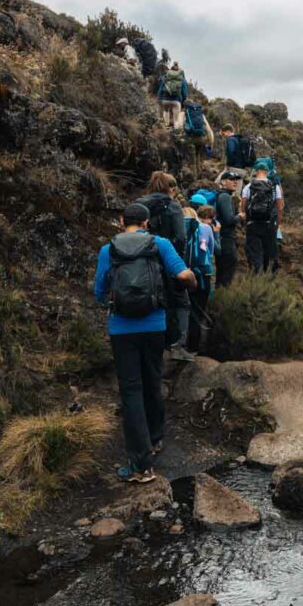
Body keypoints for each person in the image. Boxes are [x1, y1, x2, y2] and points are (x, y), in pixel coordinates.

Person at [93, 203, 196, 483]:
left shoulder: (108, 250)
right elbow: (184, 275)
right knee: (152, 380)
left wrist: (117, 305)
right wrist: (192, 285)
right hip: (154, 325)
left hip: (121, 329)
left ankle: (140, 465)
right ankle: (156, 438)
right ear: (147, 222)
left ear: (121, 221)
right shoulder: (159, 244)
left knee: (131, 391)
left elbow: (98, 291)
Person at [135, 171, 193, 360]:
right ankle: (177, 345)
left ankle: (150, 343)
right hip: (167, 260)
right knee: (181, 302)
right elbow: (181, 237)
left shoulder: (140, 203)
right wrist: (178, 263)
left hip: (142, 262)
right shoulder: (173, 206)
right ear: (171, 188)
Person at [186, 198, 218, 351]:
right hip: (202, 272)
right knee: (199, 311)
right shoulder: (206, 228)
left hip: (187, 270)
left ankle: (182, 343)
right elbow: (208, 247)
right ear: (210, 217)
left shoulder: (191, 226)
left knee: (189, 308)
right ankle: (195, 347)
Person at [240, 164, 283, 273]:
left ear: (256, 172)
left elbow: (243, 208)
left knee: (255, 256)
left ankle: (255, 280)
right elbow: (279, 208)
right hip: (269, 225)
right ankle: (268, 283)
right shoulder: (274, 187)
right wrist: (277, 225)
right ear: (267, 172)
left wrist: (246, 224)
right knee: (270, 256)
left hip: (252, 225)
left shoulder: (248, 187)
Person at [214, 171, 242, 287]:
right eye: (232, 179)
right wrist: (239, 216)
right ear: (223, 182)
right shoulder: (225, 197)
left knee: (222, 272)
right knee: (226, 274)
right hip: (225, 239)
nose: (235, 182)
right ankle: (222, 300)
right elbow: (229, 220)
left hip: (221, 238)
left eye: (236, 179)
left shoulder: (223, 196)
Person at [156, 62, 187, 131]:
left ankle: (166, 127)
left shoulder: (166, 76)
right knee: (176, 119)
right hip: (176, 101)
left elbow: (160, 88)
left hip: (165, 100)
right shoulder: (182, 79)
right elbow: (184, 93)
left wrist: (159, 98)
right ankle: (176, 132)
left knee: (166, 111)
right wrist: (183, 101)